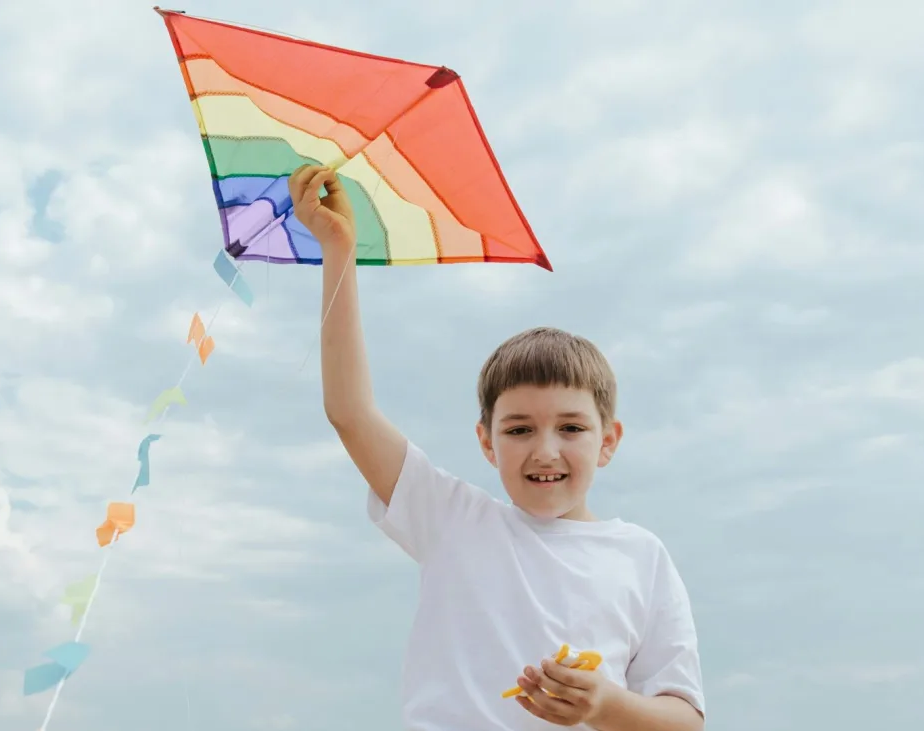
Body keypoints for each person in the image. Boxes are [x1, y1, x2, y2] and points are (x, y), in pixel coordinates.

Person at [290, 165, 706, 730]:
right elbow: (350, 412)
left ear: (608, 440)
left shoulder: (641, 557)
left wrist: (604, 704)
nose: (545, 451)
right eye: (518, 429)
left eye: (571, 428)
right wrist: (339, 249)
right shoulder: (452, 519)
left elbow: (684, 719)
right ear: (486, 442)